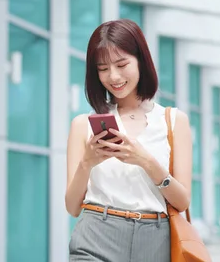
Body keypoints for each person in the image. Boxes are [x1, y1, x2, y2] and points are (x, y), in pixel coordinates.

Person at [65, 19, 193, 261]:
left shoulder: (173, 121)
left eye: (122, 64)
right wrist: (87, 163)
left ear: (141, 62)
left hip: (155, 241)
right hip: (96, 235)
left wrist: (146, 161)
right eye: (102, 69)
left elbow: (182, 201)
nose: (113, 76)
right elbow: (72, 207)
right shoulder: (83, 125)